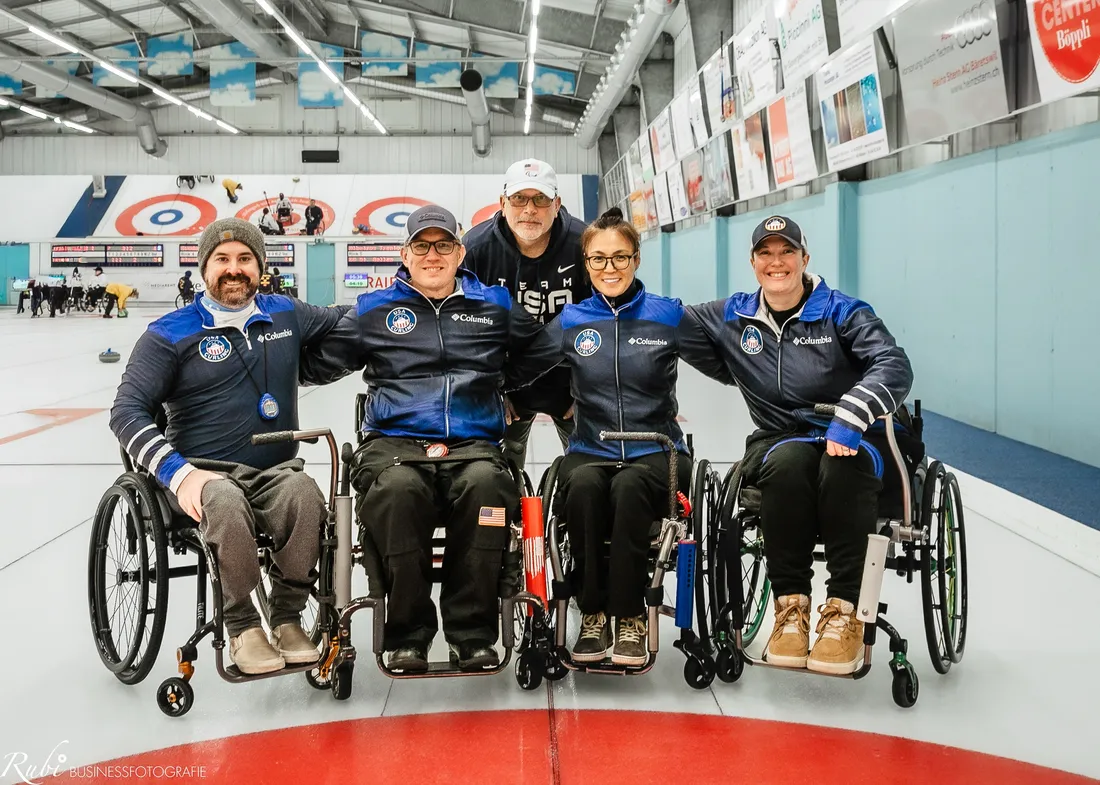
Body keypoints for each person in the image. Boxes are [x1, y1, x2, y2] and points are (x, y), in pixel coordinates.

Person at [300, 205, 561, 673]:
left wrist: (513, 392)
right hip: (394, 445)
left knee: (487, 488)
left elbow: (542, 349)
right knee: (397, 495)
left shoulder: (494, 306)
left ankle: (473, 633)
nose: (433, 254)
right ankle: (407, 635)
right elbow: (317, 363)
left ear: (461, 252)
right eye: (422, 245)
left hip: (474, 445)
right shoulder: (374, 311)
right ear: (405, 254)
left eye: (444, 245)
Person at [110, 218, 345, 675]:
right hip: (202, 474)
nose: (233, 269)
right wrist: (181, 475)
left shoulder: (285, 314)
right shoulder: (169, 333)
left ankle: (288, 616)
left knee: (307, 495)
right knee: (224, 499)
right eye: (222, 259)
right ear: (204, 268)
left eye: (244, 259)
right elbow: (126, 412)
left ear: (260, 266)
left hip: (276, 473)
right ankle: (241, 625)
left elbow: (348, 320)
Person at [687, 215, 914, 675]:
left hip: (853, 436)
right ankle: (790, 610)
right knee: (787, 466)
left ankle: (843, 613)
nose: (777, 262)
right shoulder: (733, 314)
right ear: (753, 263)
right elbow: (666, 325)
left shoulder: (843, 311)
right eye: (766, 254)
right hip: (779, 440)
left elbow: (893, 363)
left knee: (841, 468)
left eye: (786, 252)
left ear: (804, 259)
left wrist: (852, 415)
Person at [535, 208, 731, 665]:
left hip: (658, 450)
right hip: (590, 446)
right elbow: (523, 368)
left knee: (629, 487)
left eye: (620, 257)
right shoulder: (571, 321)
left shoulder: (668, 316)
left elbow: (725, 365)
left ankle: (630, 618)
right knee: (580, 486)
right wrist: (523, 403)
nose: (609, 268)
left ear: (637, 258)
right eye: (599, 259)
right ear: (586, 263)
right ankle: (592, 615)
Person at [462, 158, 589, 469]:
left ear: (557, 204)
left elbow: (604, 320)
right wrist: (491, 386)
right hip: (507, 380)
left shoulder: (585, 244)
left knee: (587, 469)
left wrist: (588, 387)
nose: (529, 209)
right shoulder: (476, 249)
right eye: (519, 198)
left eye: (540, 199)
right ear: (503, 202)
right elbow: (463, 331)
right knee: (499, 474)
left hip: (570, 379)